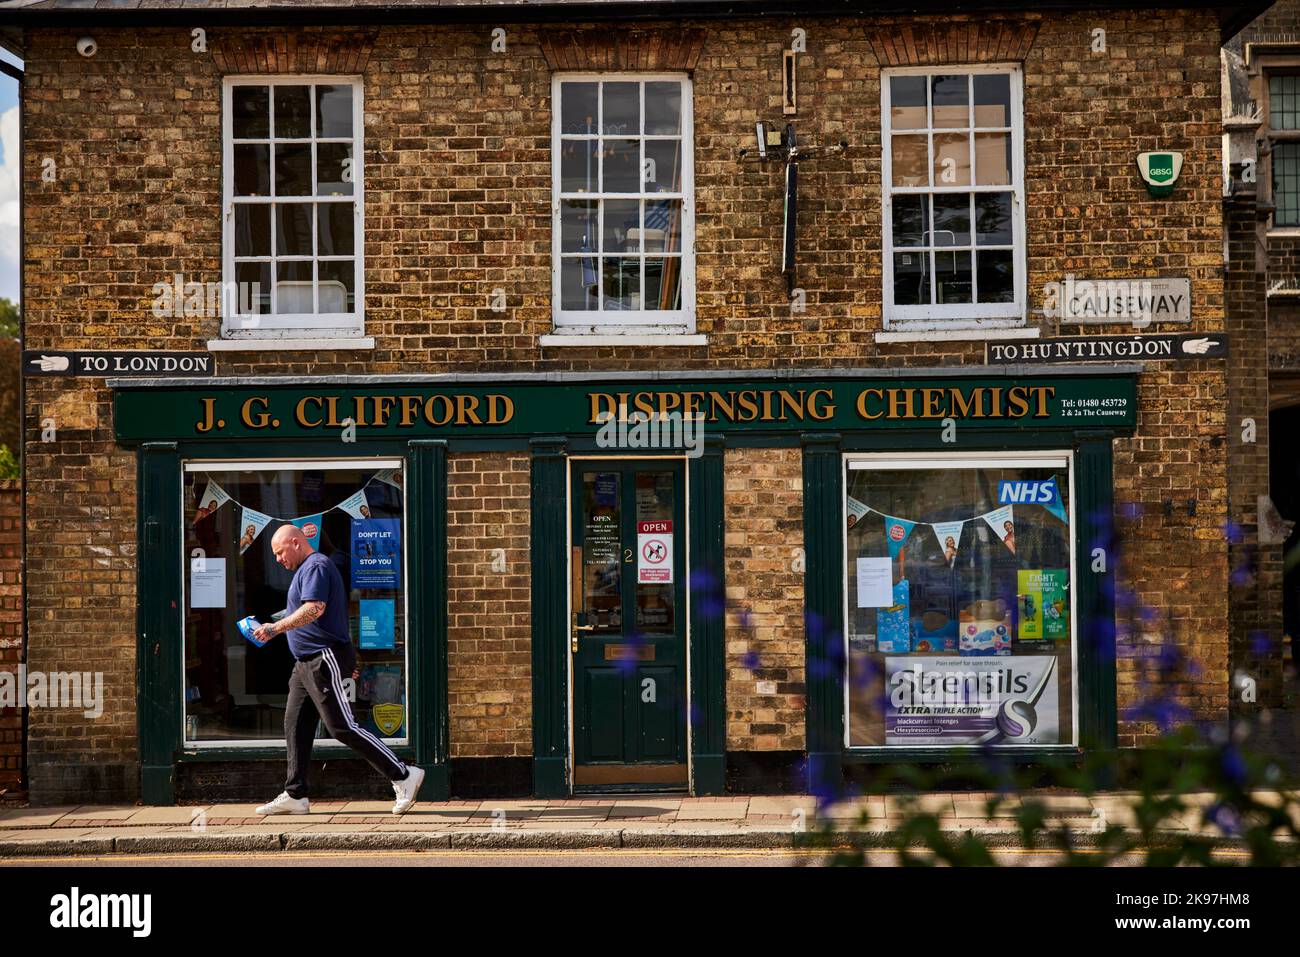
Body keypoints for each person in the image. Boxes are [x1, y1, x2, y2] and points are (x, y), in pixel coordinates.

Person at [252, 525, 424, 815]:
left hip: (323, 658)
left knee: (341, 727)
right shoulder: (304, 571)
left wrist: (275, 628)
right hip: (304, 663)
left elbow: (315, 609)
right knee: (295, 725)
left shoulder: (317, 565)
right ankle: (296, 795)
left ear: (296, 542)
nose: (278, 559)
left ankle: (404, 775)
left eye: (280, 552)